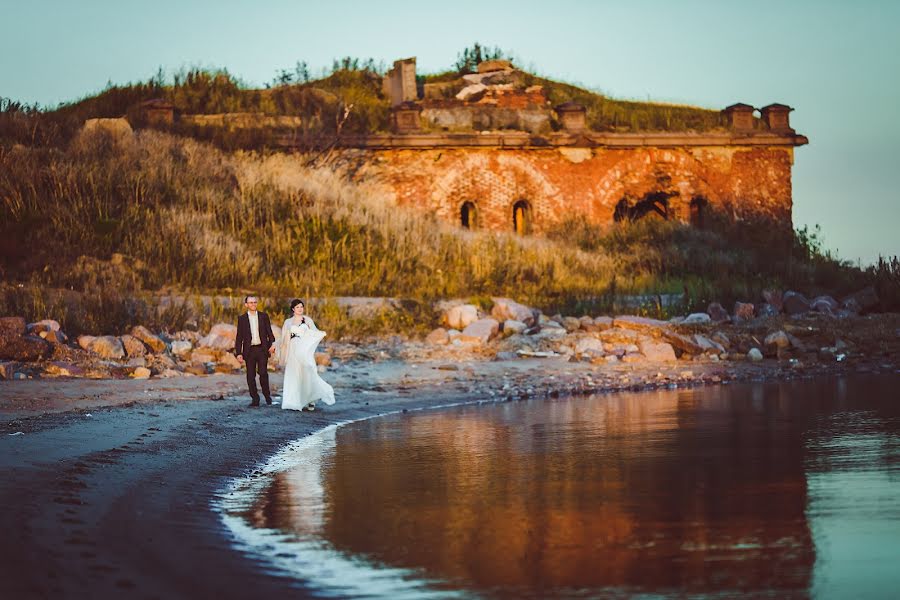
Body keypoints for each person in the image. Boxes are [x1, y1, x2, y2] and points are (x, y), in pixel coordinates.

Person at [278, 299, 335, 411]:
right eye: (298, 307)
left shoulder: (307, 320)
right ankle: (293, 401)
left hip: (305, 351)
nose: (300, 309)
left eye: (301, 307)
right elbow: (284, 338)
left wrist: (321, 334)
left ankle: (310, 400)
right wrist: (278, 348)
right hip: (293, 350)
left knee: (307, 373)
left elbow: (313, 332)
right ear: (293, 309)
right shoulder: (288, 322)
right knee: (294, 374)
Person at [234, 295, 276, 407]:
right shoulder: (242, 319)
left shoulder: (263, 316)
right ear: (246, 305)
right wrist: (238, 353)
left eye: (255, 302)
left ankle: (267, 396)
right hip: (249, 351)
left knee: (263, 373)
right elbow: (239, 337)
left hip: (262, 349)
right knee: (250, 375)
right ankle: (255, 399)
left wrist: (272, 345)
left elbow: (269, 333)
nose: (253, 304)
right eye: (251, 302)